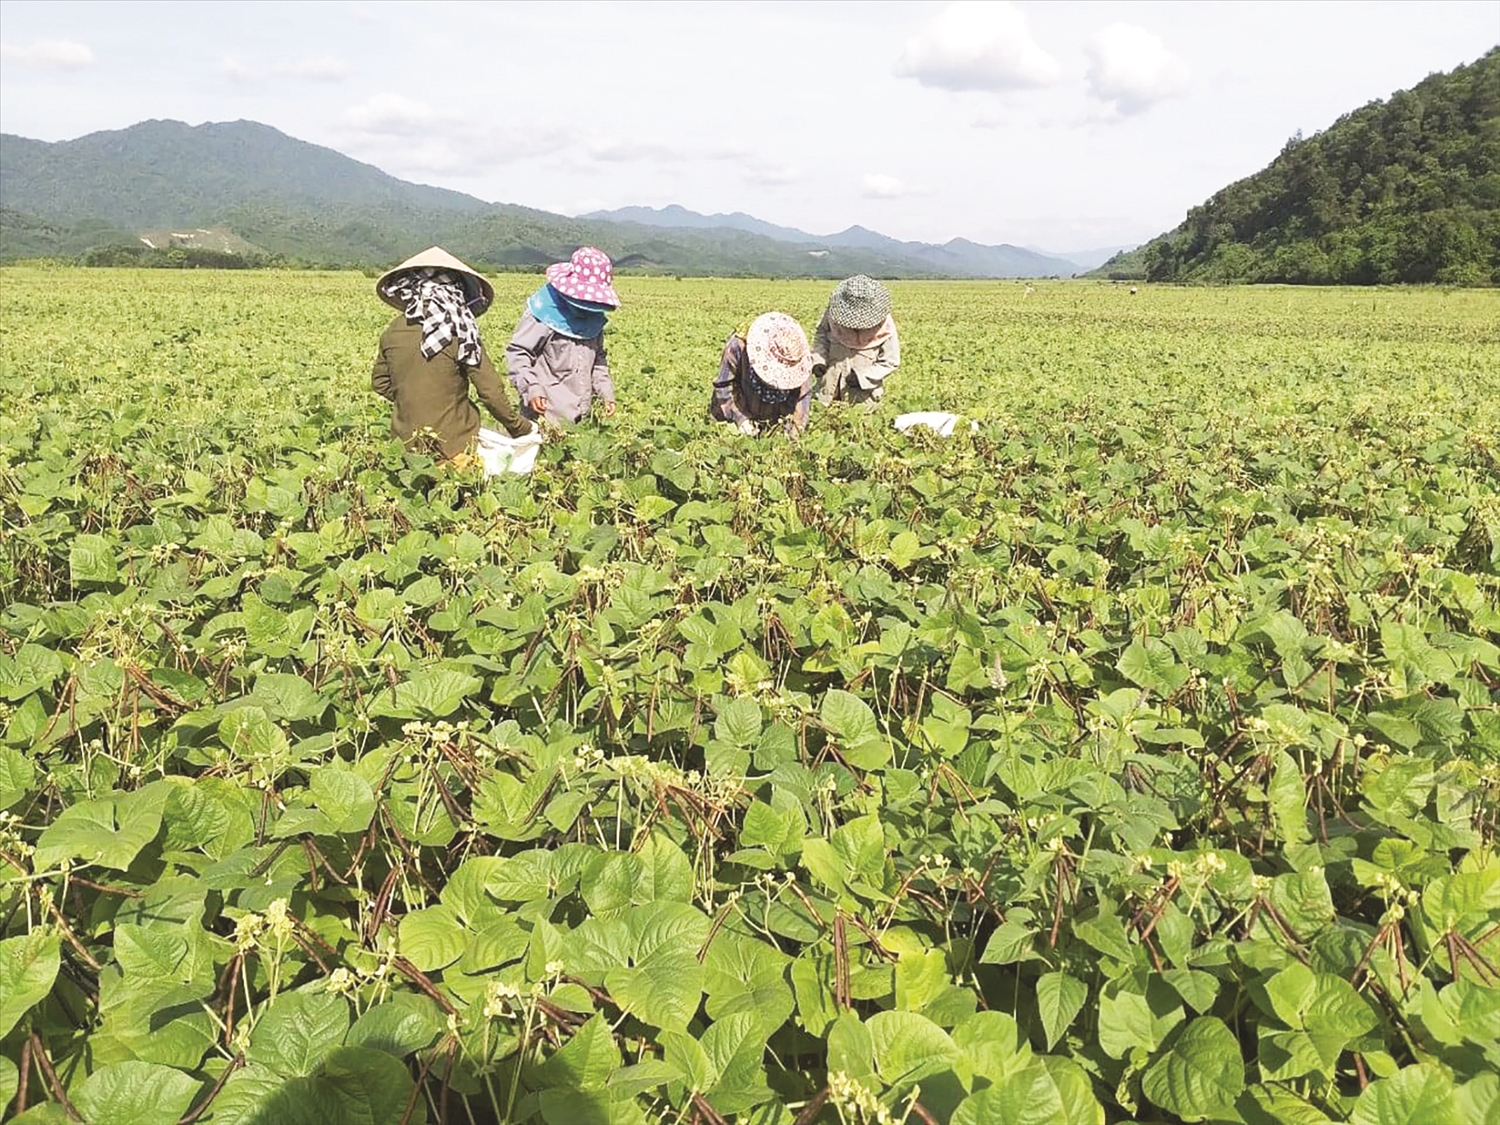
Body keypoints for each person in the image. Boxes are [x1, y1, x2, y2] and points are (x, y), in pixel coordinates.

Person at [370, 246, 535, 463]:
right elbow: (491, 393)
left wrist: (413, 400)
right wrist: (520, 427)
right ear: (456, 291)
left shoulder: (393, 331)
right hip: (455, 445)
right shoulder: (461, 331)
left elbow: (380, 383)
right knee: (456, 493)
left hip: (404, 446)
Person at [506, 247, 619, 424]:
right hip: (546, 414)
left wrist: (605, 392)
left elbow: (598, 359)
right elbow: (519, 354)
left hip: (583, 414)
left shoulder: (594, 319)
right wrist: (531, 388)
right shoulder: (543, 311)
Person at [709, 311, 813, 436]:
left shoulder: (798, 358)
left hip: (776, 417)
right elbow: (723, 385)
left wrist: (794, 432)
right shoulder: (738, 346)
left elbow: (803, 396)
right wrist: (740, 418)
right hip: (738, 404)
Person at [811, 275, 900, 409]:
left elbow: (890, 361)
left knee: (856, 426)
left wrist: (862, 377)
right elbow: (821, 336)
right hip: (827, 389)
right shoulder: (832, 314)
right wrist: (818, 360)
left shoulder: (885, 326)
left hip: (863, 399)